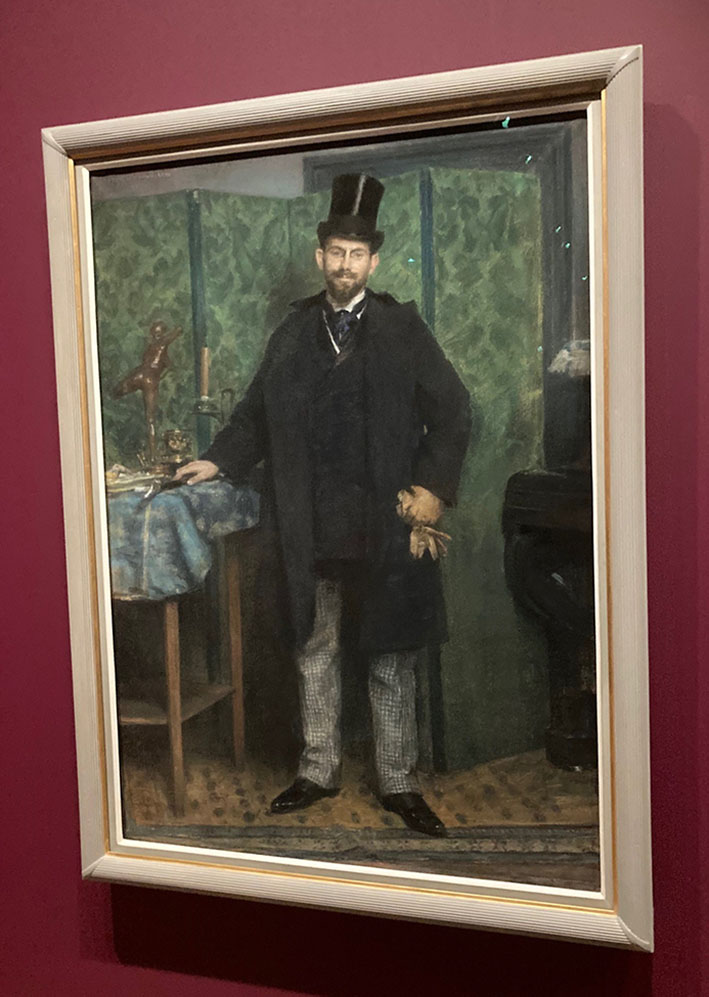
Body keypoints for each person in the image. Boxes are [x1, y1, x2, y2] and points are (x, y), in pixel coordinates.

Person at [175, 174, 472, 836]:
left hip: (385, 522)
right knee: (315, 644)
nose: (345, 265)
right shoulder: (292, 333)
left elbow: (454, 411)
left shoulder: (402, 328)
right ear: (320, 256)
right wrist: (218, 459)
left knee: (390, 654)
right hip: (311, 522)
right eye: (336, 252)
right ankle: (317, 769)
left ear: (373, 261)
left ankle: (397, 779)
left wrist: (432, 487)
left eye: (356, 254)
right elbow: (254, 415)